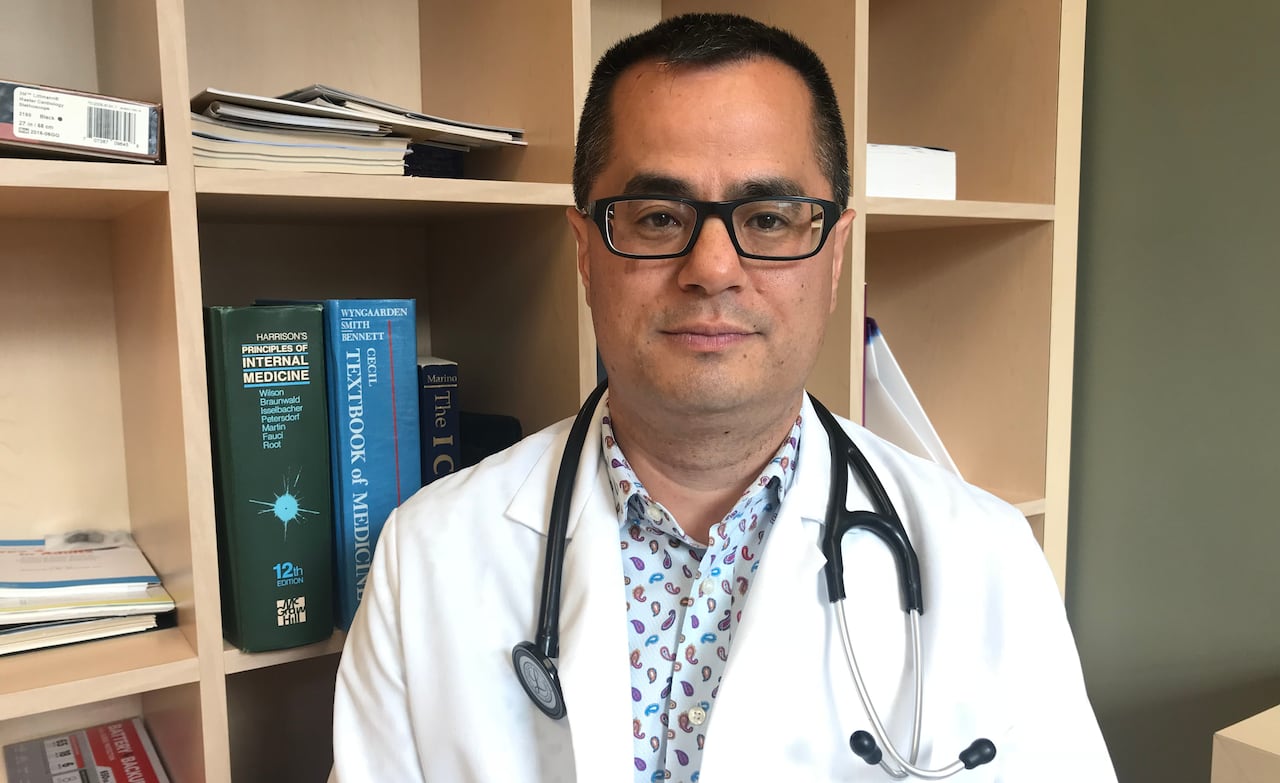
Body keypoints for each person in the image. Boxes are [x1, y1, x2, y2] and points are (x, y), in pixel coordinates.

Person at [330, 13, 1116, 783]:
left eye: (769, 218)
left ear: (835, 255)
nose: (712, 266)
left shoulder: (989, 559)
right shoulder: (424, 558)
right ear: (584, 251)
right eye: (658, 216)